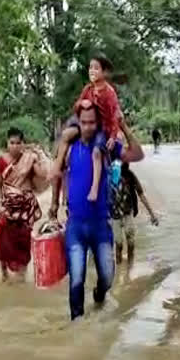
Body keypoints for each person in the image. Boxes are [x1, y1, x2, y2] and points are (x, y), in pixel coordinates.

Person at [48, 101, 144, 320]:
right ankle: (78, 324)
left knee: (108, 278)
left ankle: (99, 295)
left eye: (92, 122)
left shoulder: (106, 147)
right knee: (77, 279)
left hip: (101, 226)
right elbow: (57, 176)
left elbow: (137, 155)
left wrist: (124, 127)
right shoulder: (70, 148)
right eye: (84, 122)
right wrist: (54, 204)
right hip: (75, 226)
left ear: (98, 123)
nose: (88, 127)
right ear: (77, 123)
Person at [49, 54, 122, 203]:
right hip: (84, 123)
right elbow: (76, 106)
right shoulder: (88, 89)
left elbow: (115, 115)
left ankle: (95, 188)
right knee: (66, 135)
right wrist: (82, 104)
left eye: (96, 68)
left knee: (96, 152)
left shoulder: (109, 93)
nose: (92, 71)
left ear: (104, 72)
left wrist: (113, 136)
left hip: (101, 127)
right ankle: (57, 169)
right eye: (90, 68)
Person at [0, 127, 50, 282]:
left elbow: (43, 175)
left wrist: (38, 155)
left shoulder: (29, 159)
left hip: (25, 209)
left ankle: (21, 279)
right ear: (7, 143)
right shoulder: (0, 162)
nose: (15, 146)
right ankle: (4, 275)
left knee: (23, 243)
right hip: (7, 208)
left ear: (23, 144)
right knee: (1, 241)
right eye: (12, 143)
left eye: (19, 143)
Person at [110, 161, 158, 273]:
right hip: (115, 214)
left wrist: (152, 214)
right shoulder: (111, 174)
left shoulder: (130, 175)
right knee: (119, 243)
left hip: (128, 211)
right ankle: (119, 267)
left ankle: (129, 269)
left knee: (130, 241)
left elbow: (141, 194)